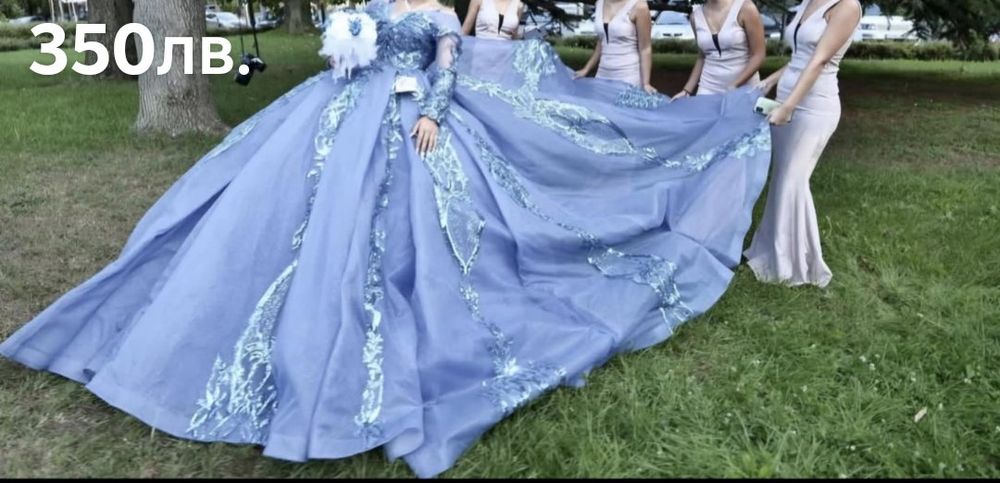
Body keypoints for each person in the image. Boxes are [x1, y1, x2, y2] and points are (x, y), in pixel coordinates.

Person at [0, 0, 773, 477]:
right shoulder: (366, 6)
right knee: (269, 209)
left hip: (412, 118)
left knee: (418, 226)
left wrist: (432, 111)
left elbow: (448, 68)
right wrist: (344, 50)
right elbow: (348, 56)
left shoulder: (439, 15)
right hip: (338, 114)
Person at [744, 0, 862, 287]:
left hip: (814, 107)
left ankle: (795, 266)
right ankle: (770, 250)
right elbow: (800, 57)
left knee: (793, 181)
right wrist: (770, 81)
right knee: (781, 178)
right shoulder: (808, 2)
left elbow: (819, 60)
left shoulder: (847, 6)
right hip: (786, 98)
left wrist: (789, 107)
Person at [674, 0, 766, 98]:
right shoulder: (695, 16)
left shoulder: (746, 8)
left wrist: (734, 85)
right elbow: (702, 56)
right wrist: (686, 90)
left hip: (744, 89)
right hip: (708, 88)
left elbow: (758, 55)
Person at [574, 0, 656, 92]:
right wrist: (586, 69)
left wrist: (646, 83)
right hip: (602, 74)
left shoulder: (639, 6)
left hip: (628, 76)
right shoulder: (600, 3)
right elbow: (602, 41)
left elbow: (645, 48)